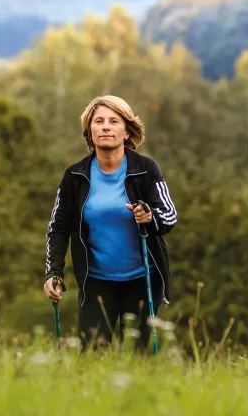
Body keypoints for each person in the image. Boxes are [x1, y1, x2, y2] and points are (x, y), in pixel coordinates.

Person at [43, 95, 177, 351]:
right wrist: (54, 273)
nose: (106, 127)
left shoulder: (146, 169)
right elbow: (58, 228)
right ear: (89, 131)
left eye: (114, 121)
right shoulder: (75, 176)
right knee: (92, 358)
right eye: (99, 121)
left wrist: (150, 217)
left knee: (140, 359)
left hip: (142, 280)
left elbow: (169, 215)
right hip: (95, 283)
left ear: (127, 132)